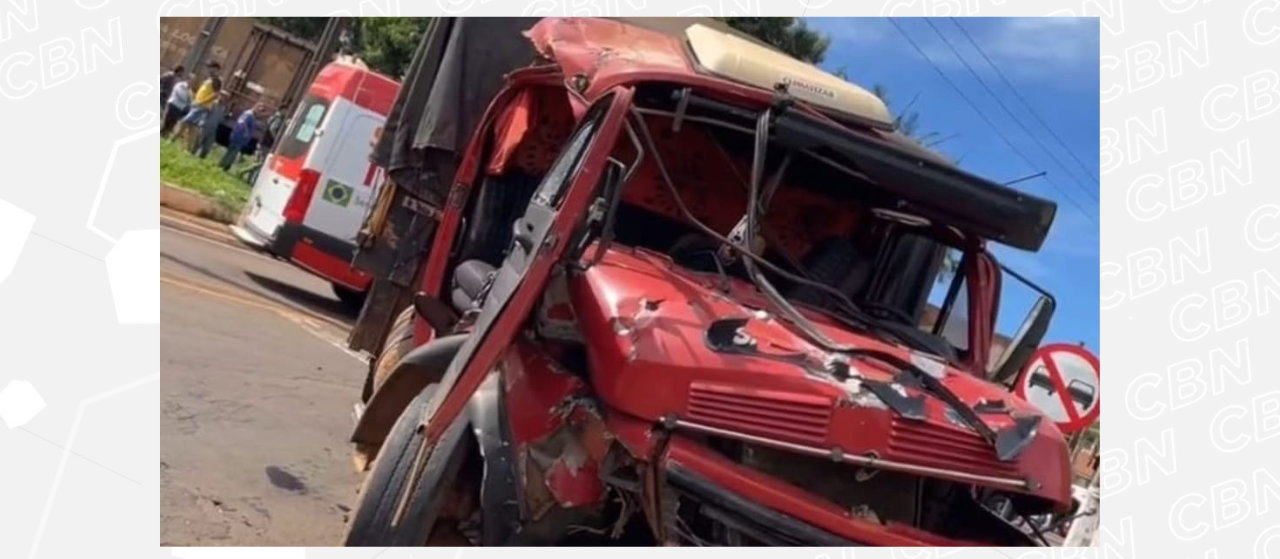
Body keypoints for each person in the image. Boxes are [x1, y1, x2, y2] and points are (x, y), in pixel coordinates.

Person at [173, 61, 223, 148]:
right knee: (191, 127)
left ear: (217, 69)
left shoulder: (216, 80)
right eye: (208, 67)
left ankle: (172, 140)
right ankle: (189, 148)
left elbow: (216, 95)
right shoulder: (209, 79)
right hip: (198, 105)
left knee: (185, 121)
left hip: (202, 106)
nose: (209, 69)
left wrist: (202, 101)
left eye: (211, 67)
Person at [221, 103, 262, 171]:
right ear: (255, 107)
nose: (259, 111)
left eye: (260, 111)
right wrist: (246, 132)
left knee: (233, 151)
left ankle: (224, 164)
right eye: (258, 109)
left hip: (241, 138)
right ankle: (225, 165)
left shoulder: (252, 116)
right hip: (238, 135)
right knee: (233, 151)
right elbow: (242, 122)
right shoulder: (248, 114)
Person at [193, 91, 230, 159]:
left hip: (213, 128)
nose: (222, 98)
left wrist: (226, 116)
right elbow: (205, 111)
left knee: (207, 146)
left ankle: (200, 159)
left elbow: (221, 119)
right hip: (205, 125)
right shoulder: (213, 103)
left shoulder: (224, 108)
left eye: (225, 97)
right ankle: (191, 155)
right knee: (198, 142)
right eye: (222, 96)